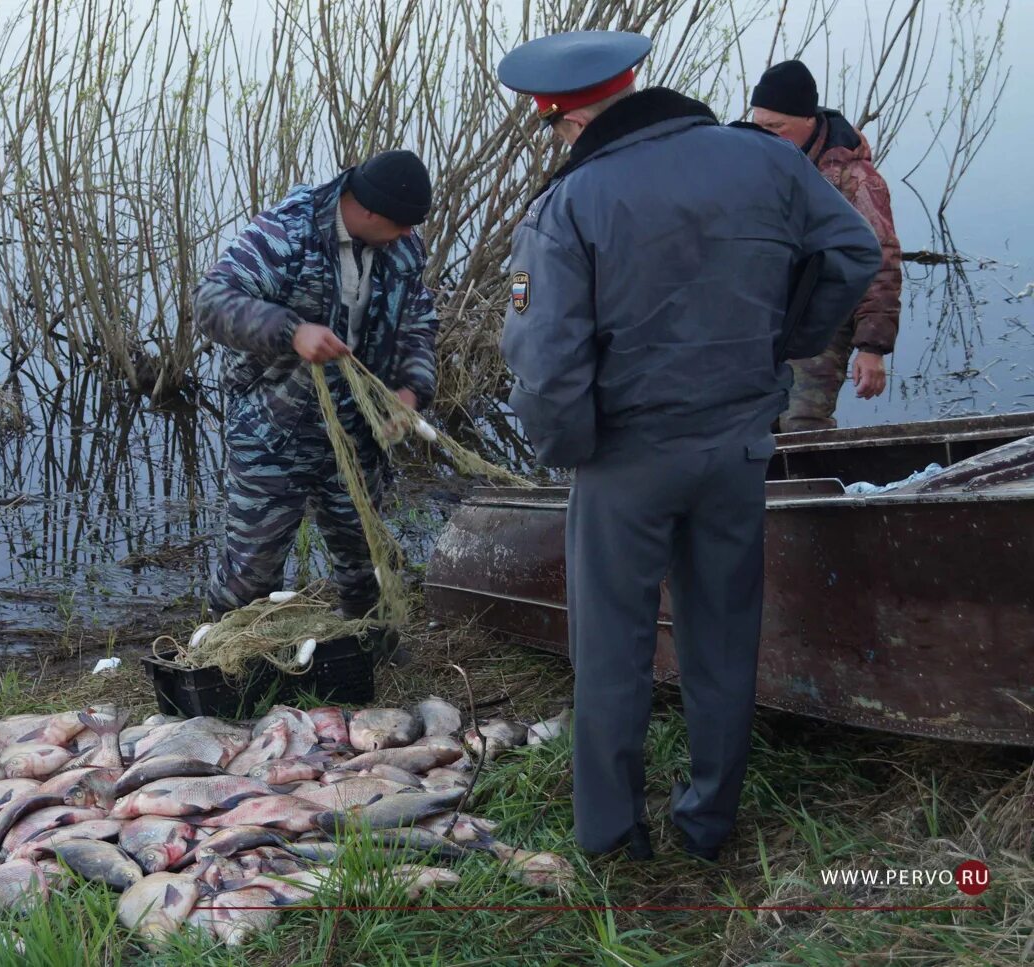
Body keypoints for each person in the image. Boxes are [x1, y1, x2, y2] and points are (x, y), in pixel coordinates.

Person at [496, 31, 881, 861]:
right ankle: (708, 821)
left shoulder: (571, 202)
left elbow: (546, 358)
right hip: (738, 443)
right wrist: (779, 344)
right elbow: (853, 253)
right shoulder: (768, 162)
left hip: (626, 458)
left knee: (612, 650)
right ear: (636, 86)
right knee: (722, 635)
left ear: (563, 118)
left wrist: (574, 449)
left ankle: (611, 838)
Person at [193, 151, 439, 619]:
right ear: (367, 211)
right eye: (402, 224)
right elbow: (211, 302)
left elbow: (418, 323)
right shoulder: (285, 233)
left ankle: (370, 649)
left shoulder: (403, 248)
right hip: (272, 428)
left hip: (357, 429)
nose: (409, 235)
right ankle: (227, 666)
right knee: (251, 570)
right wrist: (291, 331)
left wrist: (409, 392)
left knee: (366, 558)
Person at [751, 59, 903, 431]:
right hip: (763, 315)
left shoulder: (857, 179)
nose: (765, 136)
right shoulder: (753, 165)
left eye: (776, 127)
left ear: (808, 120)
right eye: (758, 127)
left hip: (825, 316)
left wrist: (872, 347)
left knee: (802, 419)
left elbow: (881, 261)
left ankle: (820, 484)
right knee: (751, 419)